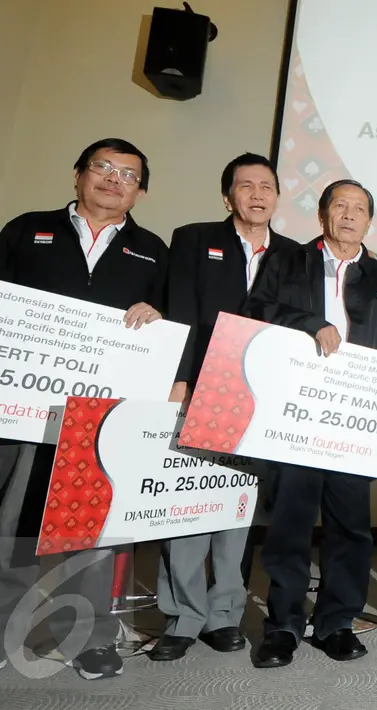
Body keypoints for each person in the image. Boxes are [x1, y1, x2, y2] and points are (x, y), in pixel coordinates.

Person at [0, 138, 167, 679]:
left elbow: (168, 325)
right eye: (102, 168)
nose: (113, 179)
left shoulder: (151, 250)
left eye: (127, 174)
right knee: (13, 522)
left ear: (139, 191)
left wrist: (157, 314)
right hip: (23, 405)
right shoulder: (28, 229)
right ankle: (7, 629)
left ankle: (91, 637)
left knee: (89, 526)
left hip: (99, 417)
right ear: (78, 175)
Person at [243, 179, 377, 668]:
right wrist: (309, 323)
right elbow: (256, 310)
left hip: (354, 422)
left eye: (360, 209)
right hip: (295, 413)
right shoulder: (288, 259)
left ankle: (337, 621)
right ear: (323, 215)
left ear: (369, 221)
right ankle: (283, 626)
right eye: (341, 206)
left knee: (351, 527)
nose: (350, 215)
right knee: (291, 526)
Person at [149, 153, 296, 662]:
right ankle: (183, 615)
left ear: (277, 196)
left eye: (267, 186)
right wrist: (181, 378)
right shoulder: (193, 238)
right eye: (246, 185)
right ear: (227, 195)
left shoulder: (295, 254)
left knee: (236, 506)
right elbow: (182, 309)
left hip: (258, 397)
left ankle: (224, 614)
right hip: (200, 390)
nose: (257, 194)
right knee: (187, 503)